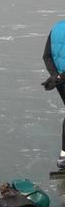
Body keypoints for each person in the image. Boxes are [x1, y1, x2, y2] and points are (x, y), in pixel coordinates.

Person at [41, 20, 65, 168]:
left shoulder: (56, 29)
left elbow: (46, 56)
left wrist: (55, 76)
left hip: (59, 81)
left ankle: (64, 156)